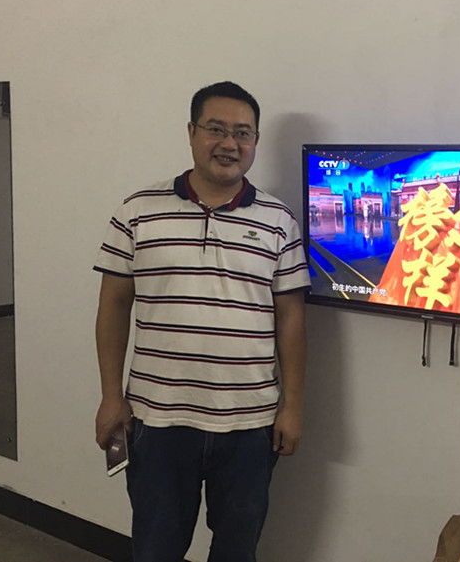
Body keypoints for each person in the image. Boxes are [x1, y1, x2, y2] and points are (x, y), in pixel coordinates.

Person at [93, 81, 310, 562]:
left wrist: (292, 407)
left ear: (255, 141)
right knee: (156, 548)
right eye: (216, 129)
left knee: (237, 550)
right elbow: (113, 308)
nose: (229, 143)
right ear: (191, 132)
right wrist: (111, 396)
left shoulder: (279, 221)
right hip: (158, 420)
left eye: (243, 133)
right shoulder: (137, 211)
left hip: (250, 424)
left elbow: (291, 320)